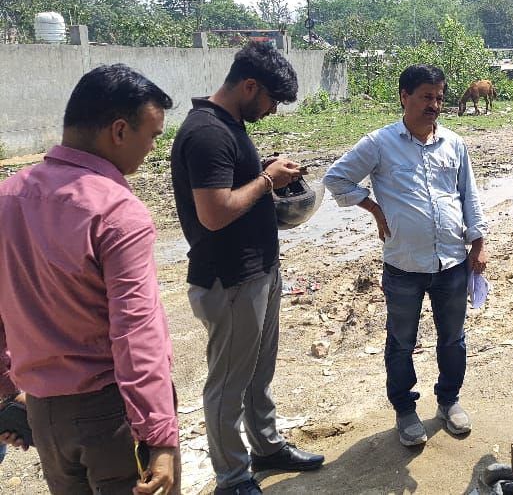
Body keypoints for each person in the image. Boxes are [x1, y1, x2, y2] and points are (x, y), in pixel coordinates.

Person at [0, 64, 179, 494]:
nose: (152, 148)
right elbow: (136, 333)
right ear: (119, 131)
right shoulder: (116, 212)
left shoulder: (8, 197)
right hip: (111, 417)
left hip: (44, 414)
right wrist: (158, 435)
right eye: (152, 135)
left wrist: (7, 391)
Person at [170, 43, 323, 495]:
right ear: (250, 86)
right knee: (228, 384)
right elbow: (215, 213)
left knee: (258, 372)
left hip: (259, 271)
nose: (273, 110)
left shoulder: (229, 125)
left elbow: (235, 184)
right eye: (272, 100)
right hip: (230, 277)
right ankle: (233, 478)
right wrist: (267, 179)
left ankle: (267, 447)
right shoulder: (206, 133)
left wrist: (264, 170)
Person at [323, 64, 488, 447]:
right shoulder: (380, 143)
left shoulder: (454, 144)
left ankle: (449, 400)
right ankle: (405, 409)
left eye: (439, 98)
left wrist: (478, 243)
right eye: (426, 97)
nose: (434, 105)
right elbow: (336, 178)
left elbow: (469, 195)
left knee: (453, 339)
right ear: (404, 97)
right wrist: (373, 207)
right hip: (403, 266)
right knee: (401, 342)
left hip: (451, 262)